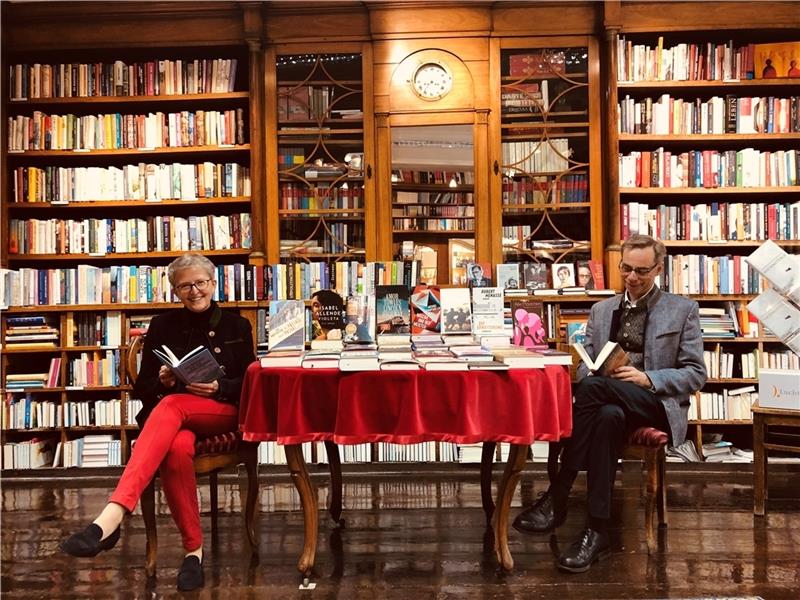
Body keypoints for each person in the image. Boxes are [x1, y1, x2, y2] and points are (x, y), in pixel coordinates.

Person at [60, 253, 255, 592]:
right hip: (176, 418)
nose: (194, 291)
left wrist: (219, 386)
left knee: (173, 405)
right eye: (184, 286)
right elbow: (143, 388)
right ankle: (193, 552)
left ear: (213, 283)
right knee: (177, 447)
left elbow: (251, 383)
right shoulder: (162, 325)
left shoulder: (237, 325)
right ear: (174, 291)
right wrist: (163, 382)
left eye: (200, 283)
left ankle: (113, 515)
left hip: (222, 413)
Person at [513, 234, 706, 573]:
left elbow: (695, 374)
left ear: (659, 269)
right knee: (605, 413)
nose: (632, 278)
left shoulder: (682, 310)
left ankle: (559, 493)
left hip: (655, 403)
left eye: (642, 272)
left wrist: (649, 379)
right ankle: (596, 530)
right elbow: (585, 363)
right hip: (611, 400)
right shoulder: (601, 311)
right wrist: (594, 370)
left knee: (593, 391)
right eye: (626, 269)